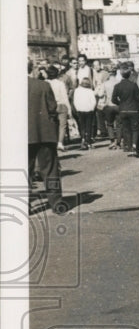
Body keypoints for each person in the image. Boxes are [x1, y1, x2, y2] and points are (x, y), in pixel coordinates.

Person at [28, 59, 65, 213]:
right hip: (45, 133)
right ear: (32, 69)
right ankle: (56, 203)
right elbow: (52, 108)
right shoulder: (43, 85)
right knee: (50, 169)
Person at [111, 61, 139, 157]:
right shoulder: (133, 85)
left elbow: (113, 99)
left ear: (121, 74)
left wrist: (120, 103)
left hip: (123, 110)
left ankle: (129, 146)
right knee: (135, 129)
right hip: (133, 109)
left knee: (126, 129)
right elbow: (138, 98)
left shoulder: (117, 86)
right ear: (130, 73)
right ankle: (135, 146)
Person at [46, 65, 72, 151]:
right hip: (61, 105)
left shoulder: (46, 83)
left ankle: (53, 142)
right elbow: (65, 97)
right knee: (62, 125)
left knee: (53, 125)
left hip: (50, 106)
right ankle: (60, 143)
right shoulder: (60, 83)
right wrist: (69, 109)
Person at [71, 77, 98, 150]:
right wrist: (92, 108)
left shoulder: (77, 91)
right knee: (88, 126)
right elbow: (94, 101)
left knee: (82, 126)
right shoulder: (90, 91)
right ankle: (88, 142)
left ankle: (83, 139)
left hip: (80, 110)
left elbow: (75, 101)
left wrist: (77, 108)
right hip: (89, 110)